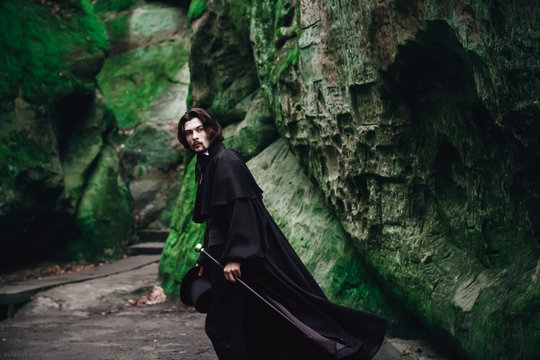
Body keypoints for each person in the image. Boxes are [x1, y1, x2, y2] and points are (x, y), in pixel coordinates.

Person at [178, 108, 386, 360]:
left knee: (224, 326)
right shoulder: (207, 163)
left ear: (211, 130)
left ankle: (342, 348)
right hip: (225, 259)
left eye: (199, 130)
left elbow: (244, 212)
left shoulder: (226, 162)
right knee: (250, 323)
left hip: (238, 261)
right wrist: (206, 259)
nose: (195, 137)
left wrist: (235, 257)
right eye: (189, 133)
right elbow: (216, 219)